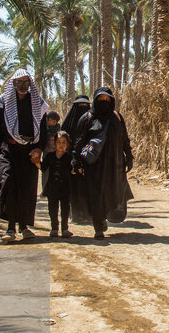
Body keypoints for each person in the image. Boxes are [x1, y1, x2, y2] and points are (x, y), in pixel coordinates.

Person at [0, 70, 48, 242]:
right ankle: (10, 227)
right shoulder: (3, 102)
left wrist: (39, 149)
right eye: (19, 82)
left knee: (27, 188)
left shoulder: (37, 103)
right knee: (8, 183)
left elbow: (43, 129)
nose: (22, 85)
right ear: (13, 83)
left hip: (29, 152)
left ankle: (24, 226)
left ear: (30, 84)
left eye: (26, 82)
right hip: (9, 150)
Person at [71, 87, 133, 240]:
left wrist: (129, 156)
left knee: (113, 193)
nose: (104, 102)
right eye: (101, 99)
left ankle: (104, 216)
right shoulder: (87, 118)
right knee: (95, 194)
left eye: (107, 99)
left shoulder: (117, 118)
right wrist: (76, 160)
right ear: (95, 100)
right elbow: (79, 141)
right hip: (94, 166)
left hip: (114, 164)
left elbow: (124, 138)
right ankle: (98, 225)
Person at [61, 95, 92, 225]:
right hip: (71, 159)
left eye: (85, 106)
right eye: (80, 106)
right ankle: (75, 214)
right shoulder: (68, 123)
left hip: (89, 159)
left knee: (88, 187)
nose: (83, 109)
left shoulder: (92, 121)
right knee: (72, 187)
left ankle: (89, 214)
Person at [41, 130, 74, 238]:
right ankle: (54, 228)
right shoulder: (50, 156)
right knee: (52, 208)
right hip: (52, 188)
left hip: (65, 188)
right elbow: (42, 168)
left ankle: (65, 229)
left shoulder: (69, 158)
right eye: (59, 142)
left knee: (65, 209)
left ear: (67, 144)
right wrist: (36, 161)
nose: (61, 145)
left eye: (64, 142)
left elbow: (73, 171)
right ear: (54, 143)